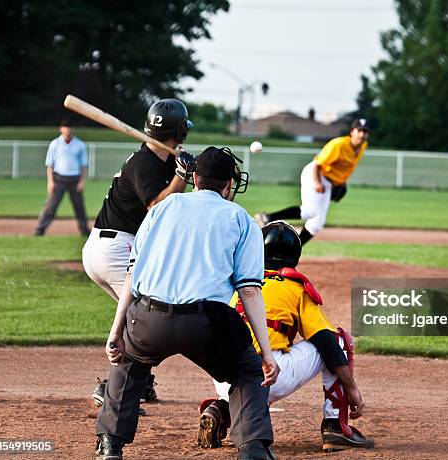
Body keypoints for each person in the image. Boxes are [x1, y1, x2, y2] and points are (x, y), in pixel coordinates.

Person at [95, 146, 279, 460]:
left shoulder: (162, 208)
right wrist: (266, 353)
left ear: (194, 178)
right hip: (207, 322)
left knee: (130, 362)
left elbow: (132, 273)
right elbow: (249, 290)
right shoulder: (240, 218)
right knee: (248, 371)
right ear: (228, 186)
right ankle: (251, 448)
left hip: (148, 318)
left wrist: (116, 332)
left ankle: (110, 444)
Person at [197, 221, 374, 453]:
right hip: (270, 377)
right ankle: (335, 427)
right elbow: (326, 341)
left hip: (223, 376)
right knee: (338, 340)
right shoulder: (294, 286)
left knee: (245, 360)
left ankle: (221, 408)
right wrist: (352, 388)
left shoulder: (239, 282)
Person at [83, 99, 196, 407]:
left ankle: (141, 382)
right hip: (115, 249)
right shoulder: (144, 162)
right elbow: (157, 206)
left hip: (111, 247)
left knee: (141, 316)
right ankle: (113, 387)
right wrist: (181, 176)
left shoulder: (157, 159)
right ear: (179, 131)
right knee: (147, 316)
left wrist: (182, 170)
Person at [255, 118, 370, 245]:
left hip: (328, 182)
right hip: (315, 175)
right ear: (352, 132)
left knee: (317, 223)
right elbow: (317, 165)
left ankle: (294, 251)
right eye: (359, 130)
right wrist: (317, 183)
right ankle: (267, 218)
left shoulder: (363, 146)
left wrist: (341, 181)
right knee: (309, 211)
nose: (362, 134)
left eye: (365, 131)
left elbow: (346, 167)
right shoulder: (338, 145)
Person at [34, 119, 90, 236]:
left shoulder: (80, 145)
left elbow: (84, 166)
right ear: (61, 129)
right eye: (65, 127)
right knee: (51, 205)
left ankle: (84, 229)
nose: (68, 130)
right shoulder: (55, 144)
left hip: (75, 179)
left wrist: (82, 182)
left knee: (79, 207)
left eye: (70, 127)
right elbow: (49, 164)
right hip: (59, 178)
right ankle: (40, 229)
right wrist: (50, 182)